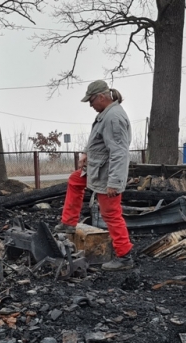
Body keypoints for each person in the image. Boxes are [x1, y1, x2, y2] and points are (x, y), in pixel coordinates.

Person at [55, 80, 134, 271]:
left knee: (111, 214)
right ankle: (68, 223)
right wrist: (86, 153)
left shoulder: (113, 117)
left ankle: (124, 256)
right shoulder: (105, 114)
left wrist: (114, 183)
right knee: (75, 180)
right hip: (97, 167)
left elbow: (119, 153)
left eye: (91, 101)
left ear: (101, 97)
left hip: (107, 173)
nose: (90, 105)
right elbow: (98, 141)